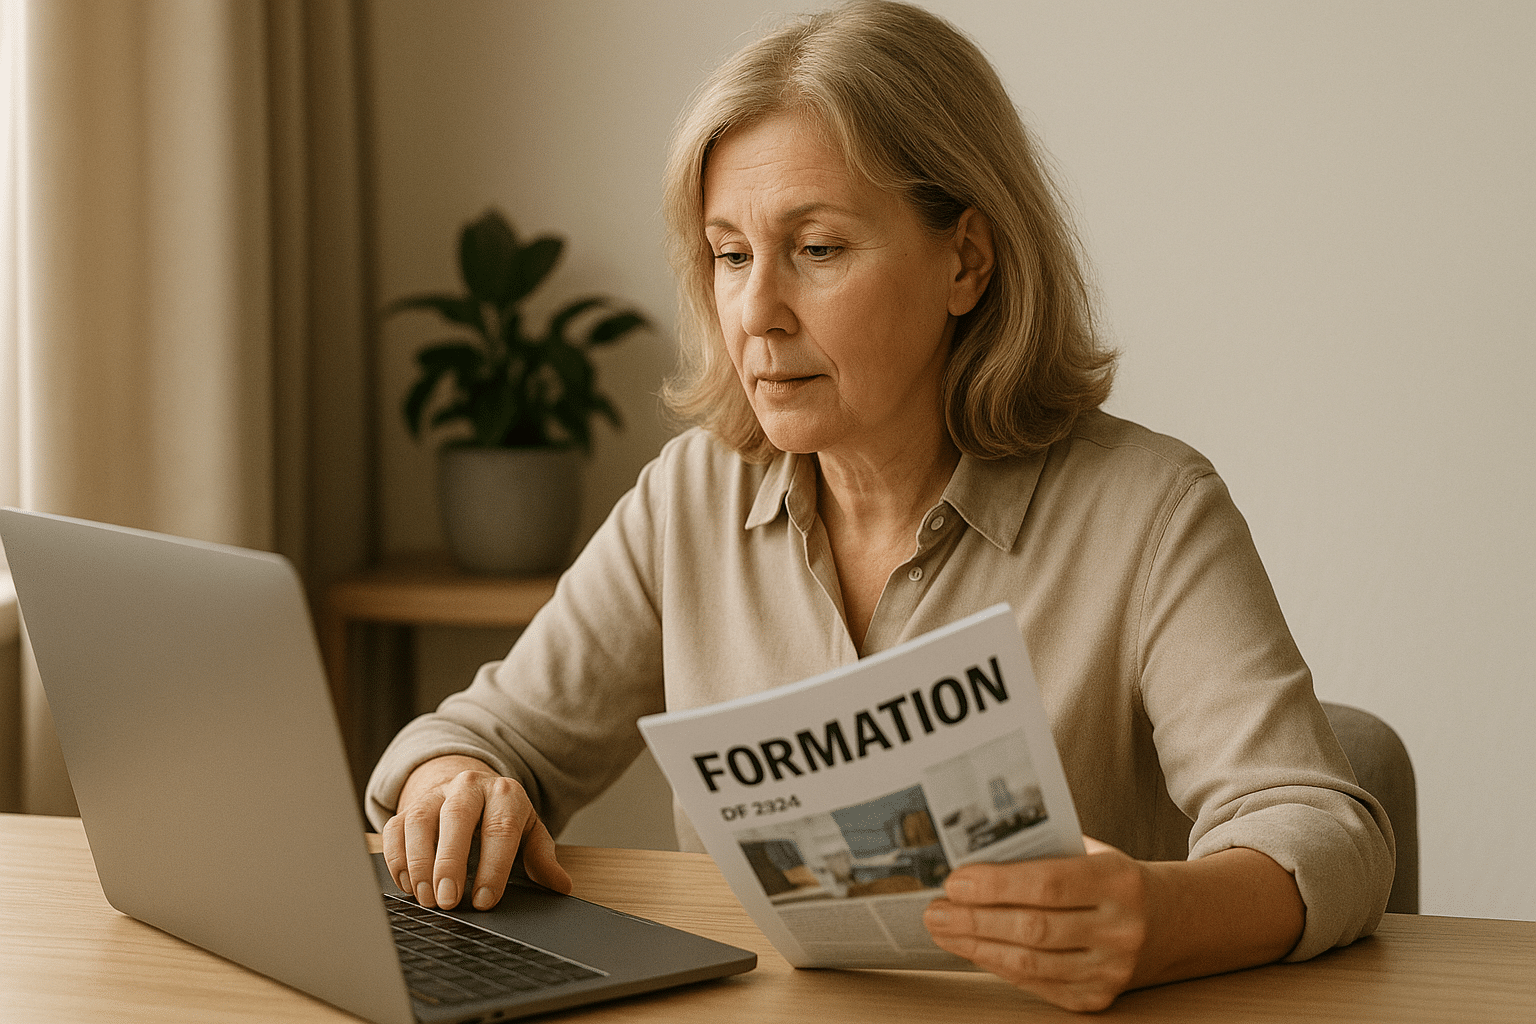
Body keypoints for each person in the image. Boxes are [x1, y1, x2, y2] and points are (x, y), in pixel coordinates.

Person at [367, 0, 1393, 1011]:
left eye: (816, 249)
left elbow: (1324, 826)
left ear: (967, 261)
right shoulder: (693, 495)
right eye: (731, 255)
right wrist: (455, 783)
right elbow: (487, 736)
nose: (756, 314)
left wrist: (1157, 918)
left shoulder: (1152, 511)